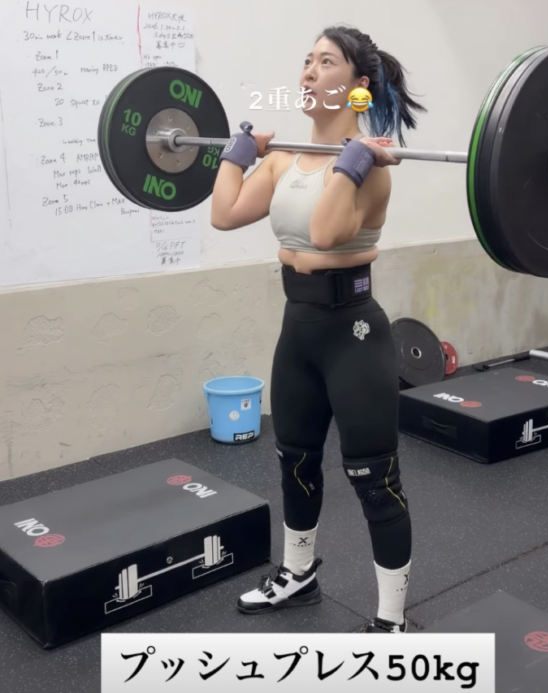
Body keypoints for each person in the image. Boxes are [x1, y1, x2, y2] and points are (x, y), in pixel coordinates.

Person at [210, 24, 427, 633]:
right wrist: (238, 155)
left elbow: (328, 234)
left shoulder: (373, 167)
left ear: (359, 85)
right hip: (298, 331)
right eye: (306, 60)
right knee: (295, 462)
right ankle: (298, 575)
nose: (308, 72)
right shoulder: (283, 160)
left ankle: (390, 620)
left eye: (325, 62)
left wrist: (354, 158)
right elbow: (224, 213)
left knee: (375, 482)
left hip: (354, 334)